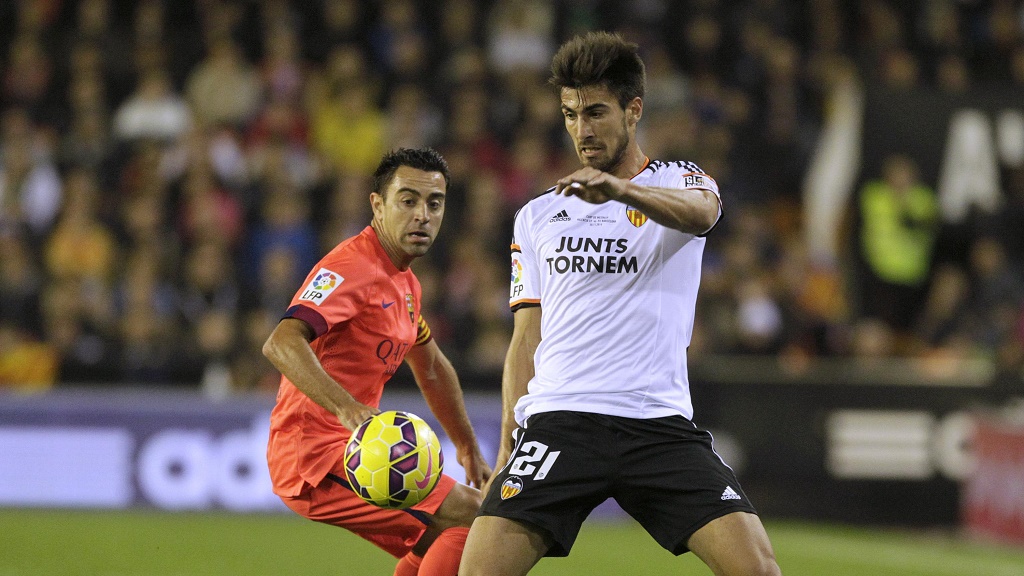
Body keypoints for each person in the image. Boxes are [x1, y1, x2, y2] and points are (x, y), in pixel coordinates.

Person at [460, 33, 781, 576]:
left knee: (759, 570)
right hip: (561, 422)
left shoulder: (681, 182)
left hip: (656, 423)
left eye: (596, 113)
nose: (581, 130)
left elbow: (702, 215)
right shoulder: (536, 216)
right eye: (570, 114)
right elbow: (526, 338)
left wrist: (619, 191)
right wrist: (507, 450)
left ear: (634, 111)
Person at [263, 147, 492, 576]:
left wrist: (466, 445)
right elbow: (281, 342)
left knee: (443, 535)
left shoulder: (404, 281)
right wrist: (346, 407)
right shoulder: (353, 267)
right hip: (313, 454)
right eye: (408, 200)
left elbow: (432, 367)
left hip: (353, 448)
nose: (422, 214)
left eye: (434, 203)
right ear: (377, 204)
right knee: (474, 518)